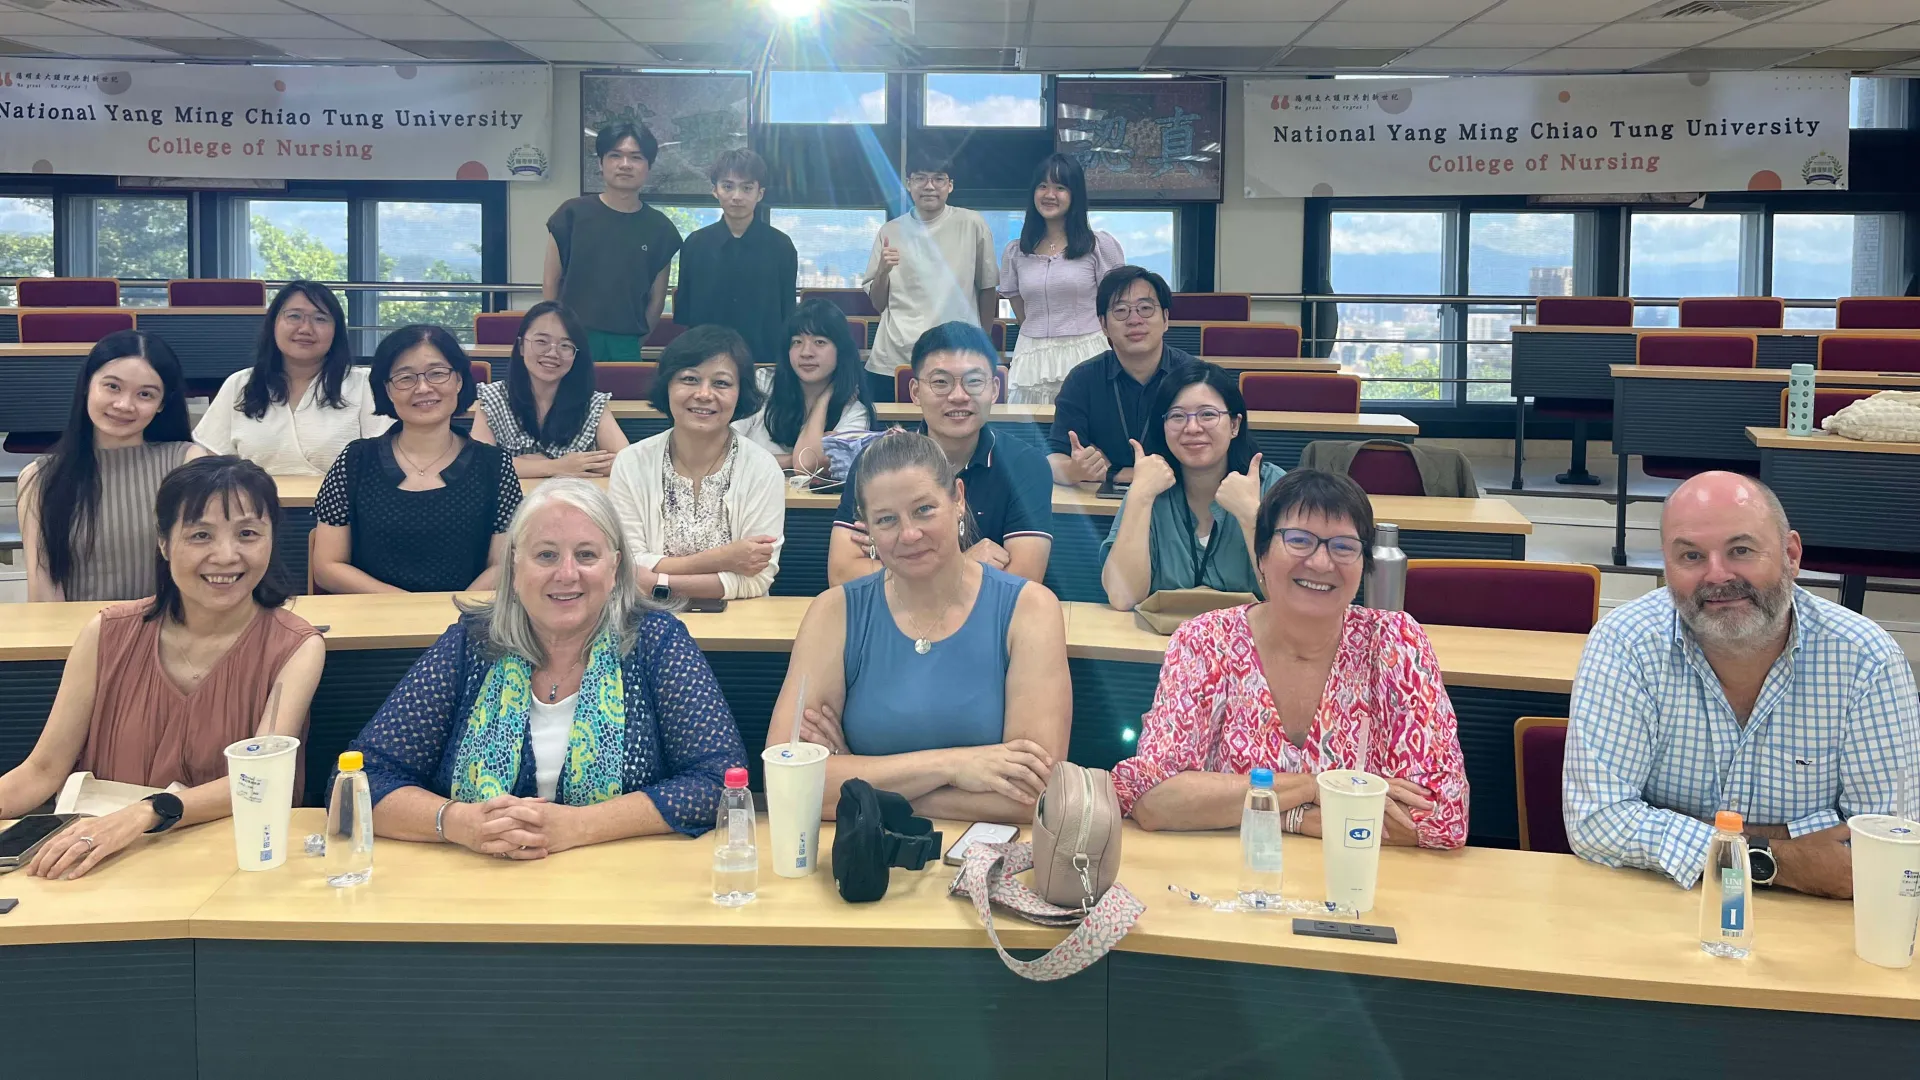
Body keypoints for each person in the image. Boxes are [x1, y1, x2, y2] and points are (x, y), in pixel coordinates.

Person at [1564, 472, 1920, 898]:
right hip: (1665, 905)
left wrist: (1667, 828)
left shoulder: (1868, 661)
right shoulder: (1625, 643)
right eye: (1691, 556)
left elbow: (1886, 844)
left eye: (1741, 550)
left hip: (1814, 922)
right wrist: (1779, 858)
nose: (1717, 575)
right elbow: (1595, 820)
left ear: (1791, 555)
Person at [349, 479, 748, 856]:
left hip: (618, 890)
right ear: (515, 566)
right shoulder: (471, 643)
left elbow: (719, 780)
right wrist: (457, 822)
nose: (567, 574)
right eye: (546, 555)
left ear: (615, 568)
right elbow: (361, 780)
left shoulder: (657, 641)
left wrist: (581, 826)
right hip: (475, 885)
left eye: (587, 555)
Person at [0, 457, 326, 880]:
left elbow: (259, 781)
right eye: (200, 535)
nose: (226, 555)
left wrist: (145, 814)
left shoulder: (296, 645)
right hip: (104, 859)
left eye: (248, 534)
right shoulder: (106, 633)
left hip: (230, 864)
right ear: (164, 543)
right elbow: (42, 771)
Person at [1113, 469, 1469, 848]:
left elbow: (1442, 817)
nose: (1320, 562)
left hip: (1361, 884)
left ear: (1364, 564)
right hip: (1230, 883)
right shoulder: (1205, 641)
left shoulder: (1395, 643)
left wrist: (1257, 807)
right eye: (1299, 540)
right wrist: (1309, 793)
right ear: (1262, 554)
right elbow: (1155, 799)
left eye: (1344, 547)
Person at [769, 432, 1070, 824]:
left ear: (958, 499)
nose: (909, 534)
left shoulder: (1030, 609)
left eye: (924, 509)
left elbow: (1032, 795)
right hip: (862, 857)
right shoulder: (834, 612)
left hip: (984, 856)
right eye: (887, 520)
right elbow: (788, 780)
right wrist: (954, 766)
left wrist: (862, 786)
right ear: (865, 527)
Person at [828, 322, 1053, 587]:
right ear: (915, 392)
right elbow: (843, 573)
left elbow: (1023, 580)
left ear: (994, 389)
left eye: (973, 382)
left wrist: (898, 567)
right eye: (940, 382)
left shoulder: (1026, 465)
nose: (958, 396)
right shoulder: (876, 461)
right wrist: (963, 565)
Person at [312, 325, 520, 594]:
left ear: (458, 381)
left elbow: (503, 566)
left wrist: (454, 617)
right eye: (405, 378)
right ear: (387, 390)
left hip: (469, 622)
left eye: (437, 373)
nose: (423, 388)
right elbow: (327, 567)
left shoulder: (495, 465)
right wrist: (406, 607)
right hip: (374, 621)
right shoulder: (355, 461)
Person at [21, 330, 211, 602]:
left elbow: (205, 568)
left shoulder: (188, 463)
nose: (124, 405)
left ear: (161, 405)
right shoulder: (40, 477)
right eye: (112, 386)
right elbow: (43, 592)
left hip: (173, 634)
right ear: (88, 384)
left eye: (145, 394)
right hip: (82, 636)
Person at [608, 324, 785, 601]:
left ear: (741, 393)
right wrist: (724, 558)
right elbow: (627, 568)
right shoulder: (631, 463)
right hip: (644, 622)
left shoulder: (761, 468)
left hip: (739, 627)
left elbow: (757, 580)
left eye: (721, 383)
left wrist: (655, 582)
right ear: (667, 385)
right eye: (690, 379)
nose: (704, 394)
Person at [1101, 363, 1286, 611]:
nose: (1192, 428)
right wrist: (1140, 497)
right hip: (1162, 645)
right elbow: (1123, 597)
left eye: (1207, 414)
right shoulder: (1150, 486)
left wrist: (1250, 515)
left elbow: (1288, 597)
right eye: (1177, 416)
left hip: (1251, 646)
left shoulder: (1275, 487)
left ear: (1234, 425)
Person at [194, 280, 389, 475]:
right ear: (273, 324)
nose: (305, 328)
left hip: (344, 504)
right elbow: (214, 463)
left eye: (320, 319)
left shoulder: (365, 384)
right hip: (254, 504)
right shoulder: (240, 384)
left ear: (336, 331)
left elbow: (386, 461)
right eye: (294, 316)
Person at [863, 153, 999, 404]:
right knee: (893, 438)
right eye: (920, 178)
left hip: (957, 355)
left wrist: (983, 341)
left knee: (953, 435)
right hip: (894, 357)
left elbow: (988, 288)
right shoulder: (890, 231)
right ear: (908, 183)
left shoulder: (972, 224)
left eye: (938, 179)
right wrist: (882, 270)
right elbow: (877, 303)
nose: (929, 186)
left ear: (950, 185)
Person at [543, 122, 682, 362]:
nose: (625, 165)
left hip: (626, 343)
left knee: (624, 399)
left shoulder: (661, 228)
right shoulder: (571, 214)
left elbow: (657, 299)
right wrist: (556, 332)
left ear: (649, 166)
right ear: (601, 163)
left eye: (636, 157)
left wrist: (636, 340)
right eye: (615, 155)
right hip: (571, 339)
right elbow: (551, 281)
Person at [1048, 266, 1198, 488]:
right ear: (1103, 325)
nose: (1134, 320)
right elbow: (1054, 458)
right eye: (1120, 311)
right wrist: (1074, 470)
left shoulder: (1195, 377)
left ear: (1166, 318)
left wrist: (1117, 473)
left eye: (1145, 308)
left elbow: (1215, 457)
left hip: (1180, 499)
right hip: (1101, 507)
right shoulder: (1082, 380)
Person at [999, 153, 1124, 406]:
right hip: (1032, 354)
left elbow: (1116, 302)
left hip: (1085, 350)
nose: (1049, 194)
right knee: (1030, 432)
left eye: (1060, 187)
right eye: (1042, 186)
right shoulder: (1016, 251)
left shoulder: (1097, 245)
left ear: (1075, 194)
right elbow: (1018, 304)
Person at [470, 301, 629, 478]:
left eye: (565, 345)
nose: (553, 353)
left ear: (576, 355)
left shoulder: (592, 403)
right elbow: (479, 464)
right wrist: (557, 467)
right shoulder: (492, 398)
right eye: (541, 341)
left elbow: (627, 462)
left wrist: (519, 465)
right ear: (521, 346)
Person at [674, 148, 799, 371]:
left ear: (760, 193)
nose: (737, 196)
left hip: (763, 361)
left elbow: (787, 313)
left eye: (747, 188)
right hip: (705, 361)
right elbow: (685, 312)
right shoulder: (695, 244)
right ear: (715, 191)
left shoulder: (781, 246)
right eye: (728, 186)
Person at [732, 297, 873, 472]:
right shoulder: (763, 383)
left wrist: (824, 400)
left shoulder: (854, 413)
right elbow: (725, 451)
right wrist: (793, 459)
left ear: (841, 351)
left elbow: (806, 465)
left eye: (819, 342)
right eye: (797, 342)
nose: (806, 353)